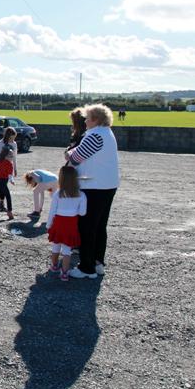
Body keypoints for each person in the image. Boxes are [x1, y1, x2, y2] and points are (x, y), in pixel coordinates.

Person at [65, 104, 120, 279]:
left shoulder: (94, 135)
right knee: (100, 226)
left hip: (94, 186)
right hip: (107, 185)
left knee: (87, 227)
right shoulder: (107, 133)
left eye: (87, 118)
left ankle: (86, 268)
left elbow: (75, 158)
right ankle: (98, 263)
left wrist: (68, 153)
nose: (85, 122)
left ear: (95, 120)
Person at [46, 166, 86, 282]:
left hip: (58, 224)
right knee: (67, 250)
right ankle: (64, 273)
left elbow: (52, 212)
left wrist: (48, 225)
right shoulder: (81, 195)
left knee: (56, 246)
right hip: (71, 225)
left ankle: (54, 266)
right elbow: (82, 213)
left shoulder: (57, 194)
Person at [0, 127, 18, 209]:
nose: (12, 140)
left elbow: (14, 157)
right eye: (11, 138)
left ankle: (0, 203)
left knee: (4, 185)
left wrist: (15, 168)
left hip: (8, 167)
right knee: (1, 186)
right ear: (7, 136)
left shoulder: (14, 144)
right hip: (0, 167)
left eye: (14, 138)